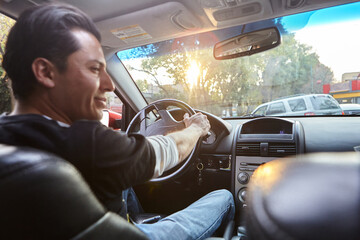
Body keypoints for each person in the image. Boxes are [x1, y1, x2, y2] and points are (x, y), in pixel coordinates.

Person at [0, 3, 234, 240]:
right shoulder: (89, 144)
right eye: (94, 69)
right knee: (224, 197)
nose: (109, 85)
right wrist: (196, 128)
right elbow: (172, 148)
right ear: (45, 72)